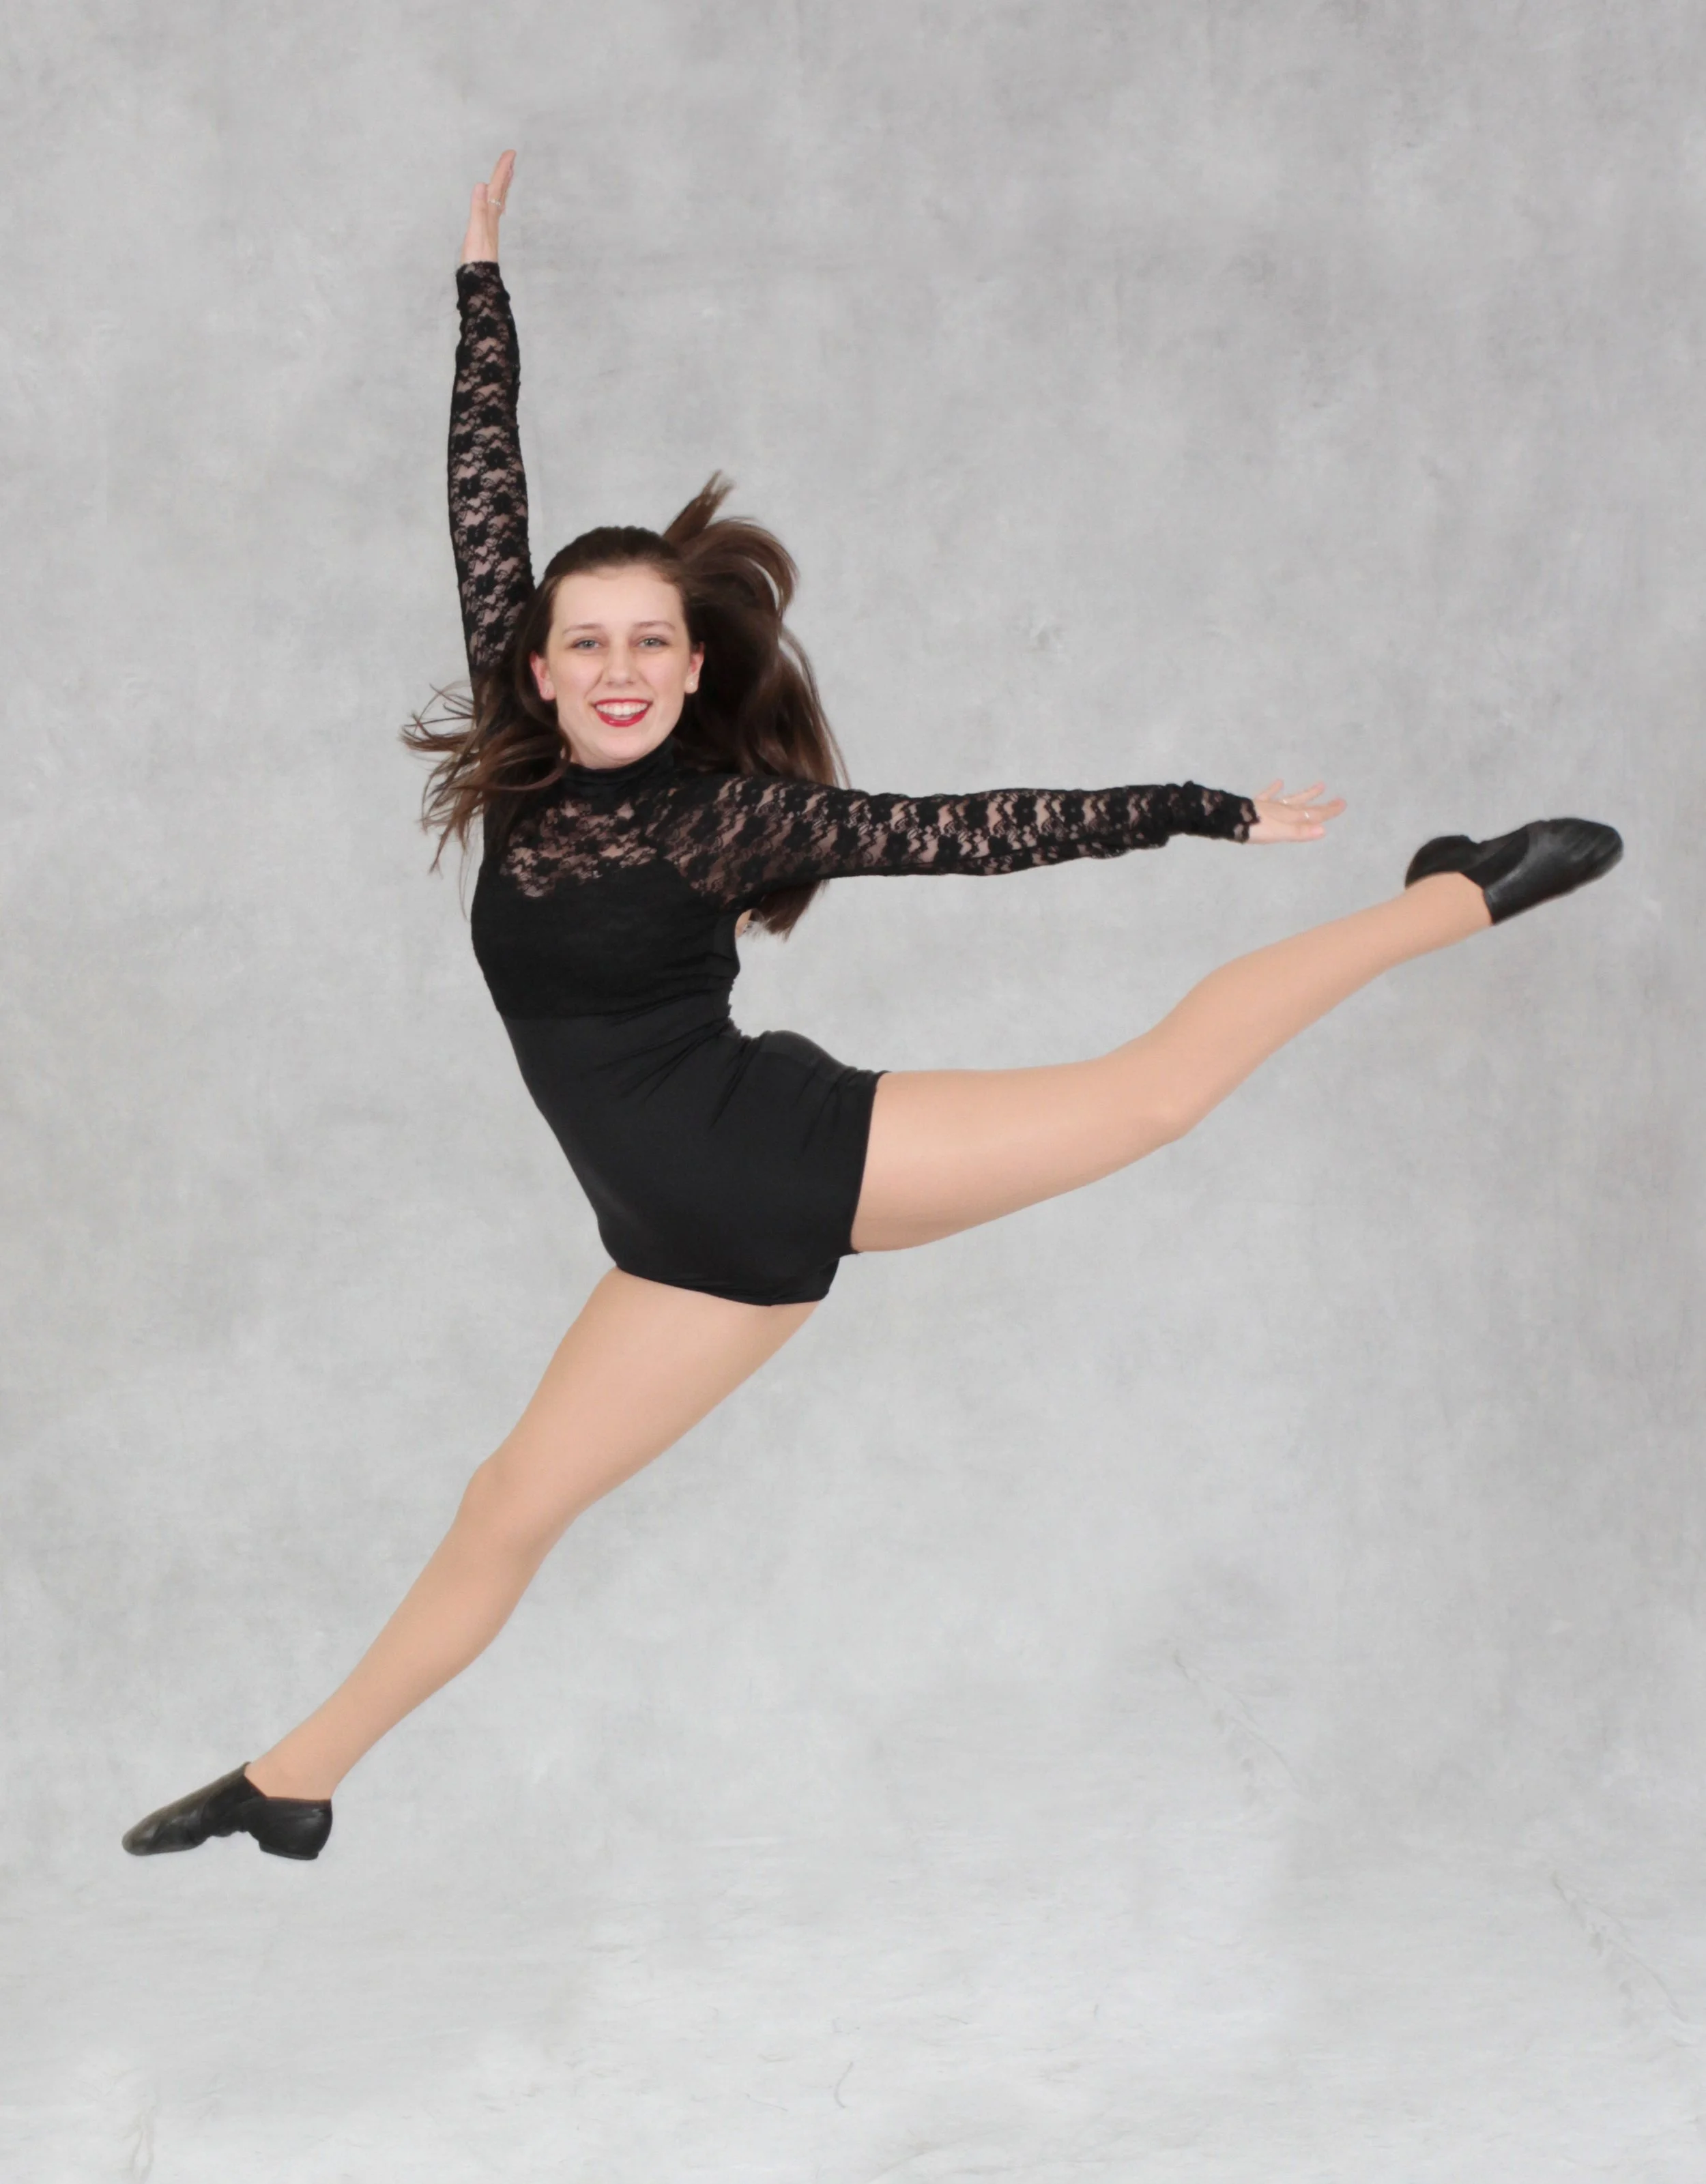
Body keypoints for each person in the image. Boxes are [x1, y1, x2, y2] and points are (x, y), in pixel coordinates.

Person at [122, 152, 1621, 1862]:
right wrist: (479, 279)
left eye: (649, 646)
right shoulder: (531, 750)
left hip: (769, 1161)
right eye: (583, 641)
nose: (615, 668)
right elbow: (481, 496)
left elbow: (965, 837)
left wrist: (1199, 806)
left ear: (693, 671)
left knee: (1147, 1095)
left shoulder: (721, 813)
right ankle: (296, 1777)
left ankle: (1453, 890)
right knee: (504, 1507)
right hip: (671, 1248)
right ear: (535, 665)